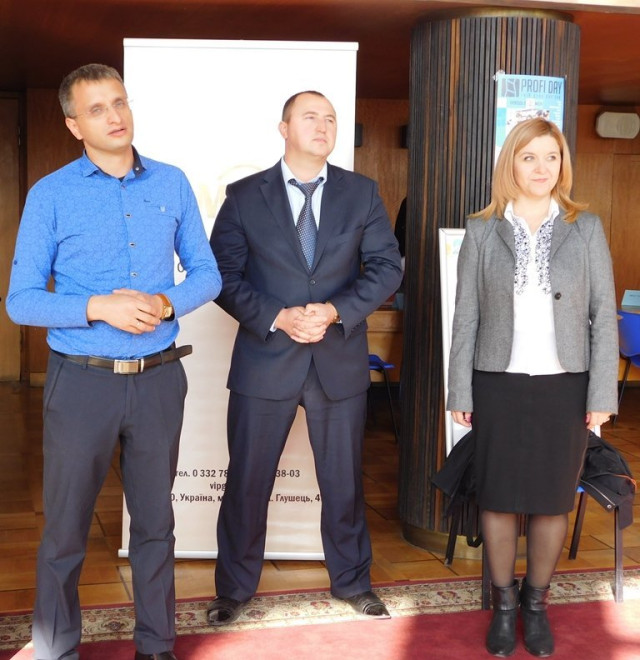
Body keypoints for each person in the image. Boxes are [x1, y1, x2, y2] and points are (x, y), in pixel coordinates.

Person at [6, 63, 221, 660]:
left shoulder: (172, 182)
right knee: (65, 529)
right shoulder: (50, 194)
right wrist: (98, 306)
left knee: (156, 524)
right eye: (97, 109)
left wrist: (163, 302)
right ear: (74, 125)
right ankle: (55, 648)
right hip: (82, 384)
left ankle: (156, 645)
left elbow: (207, 273)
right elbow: (21, 301)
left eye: (120, 102)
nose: (115, 116)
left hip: (159, 379)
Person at [207, 90, 402, 625]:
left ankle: (354, 582)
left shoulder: (362, 193)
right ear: (284, 128)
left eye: (331, 119)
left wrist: (336, 311)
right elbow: (221, 274)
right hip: (265, 359)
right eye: (310, 117)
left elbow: (387, 267)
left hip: (337, 360)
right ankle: (232, 590)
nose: (323, 126)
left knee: (345, 482)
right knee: (247, 481)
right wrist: (278, 316)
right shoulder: (245, 196)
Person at [447, 117, 618, 658]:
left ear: (562, 164)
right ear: (511, 165)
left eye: (551, 156)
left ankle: (536, 605)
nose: (542, 167)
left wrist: (602, 396)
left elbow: (603, 315)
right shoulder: (482, 230)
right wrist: (460, 391)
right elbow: (466, 317)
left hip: (566, 386)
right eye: (529, 157)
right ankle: (503, 605)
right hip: (496, 383)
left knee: (550, 500)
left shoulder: (585, 227)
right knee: (497, 497)